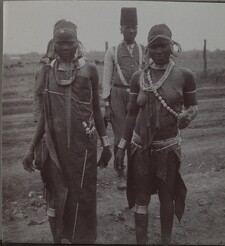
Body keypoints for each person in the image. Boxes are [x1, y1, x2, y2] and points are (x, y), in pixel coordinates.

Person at [22, 19, 111, 244]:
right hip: (54, 147)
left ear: (77, 43)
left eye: (69, 42)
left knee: (83, 197)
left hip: (83, 149)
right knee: (56, 195)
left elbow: (96, 111)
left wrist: (106, 143)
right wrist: (31, 148)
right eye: (59, 43)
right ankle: (58, 240)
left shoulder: (89, 70)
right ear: (53, 44)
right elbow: (44, 114)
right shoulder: (46, 72)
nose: (64, 47)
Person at [115, 24, 198, 245]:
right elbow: (131, 114)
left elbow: (193, 107)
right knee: (141, 199)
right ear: (148, 49)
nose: (159, 51)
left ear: (172, 46)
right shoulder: (138, 78)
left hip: (168, 148)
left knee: (166, 198)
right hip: (140, 149)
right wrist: (121, 147)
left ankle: (166, 241)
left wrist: (188, 117)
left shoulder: (185, 76)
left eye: (163, 46)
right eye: (154, 47)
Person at [102, 7, 145, 190]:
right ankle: (120, 174)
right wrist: (107, 105)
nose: (132, 31)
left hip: (138, 97)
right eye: (128, 27)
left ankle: (136, 174)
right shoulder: (112, 51)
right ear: (121, 28)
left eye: (134, 27)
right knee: (121, 136)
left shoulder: (144, 50)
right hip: (118, 97)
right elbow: (106, 80)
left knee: (138, 136)